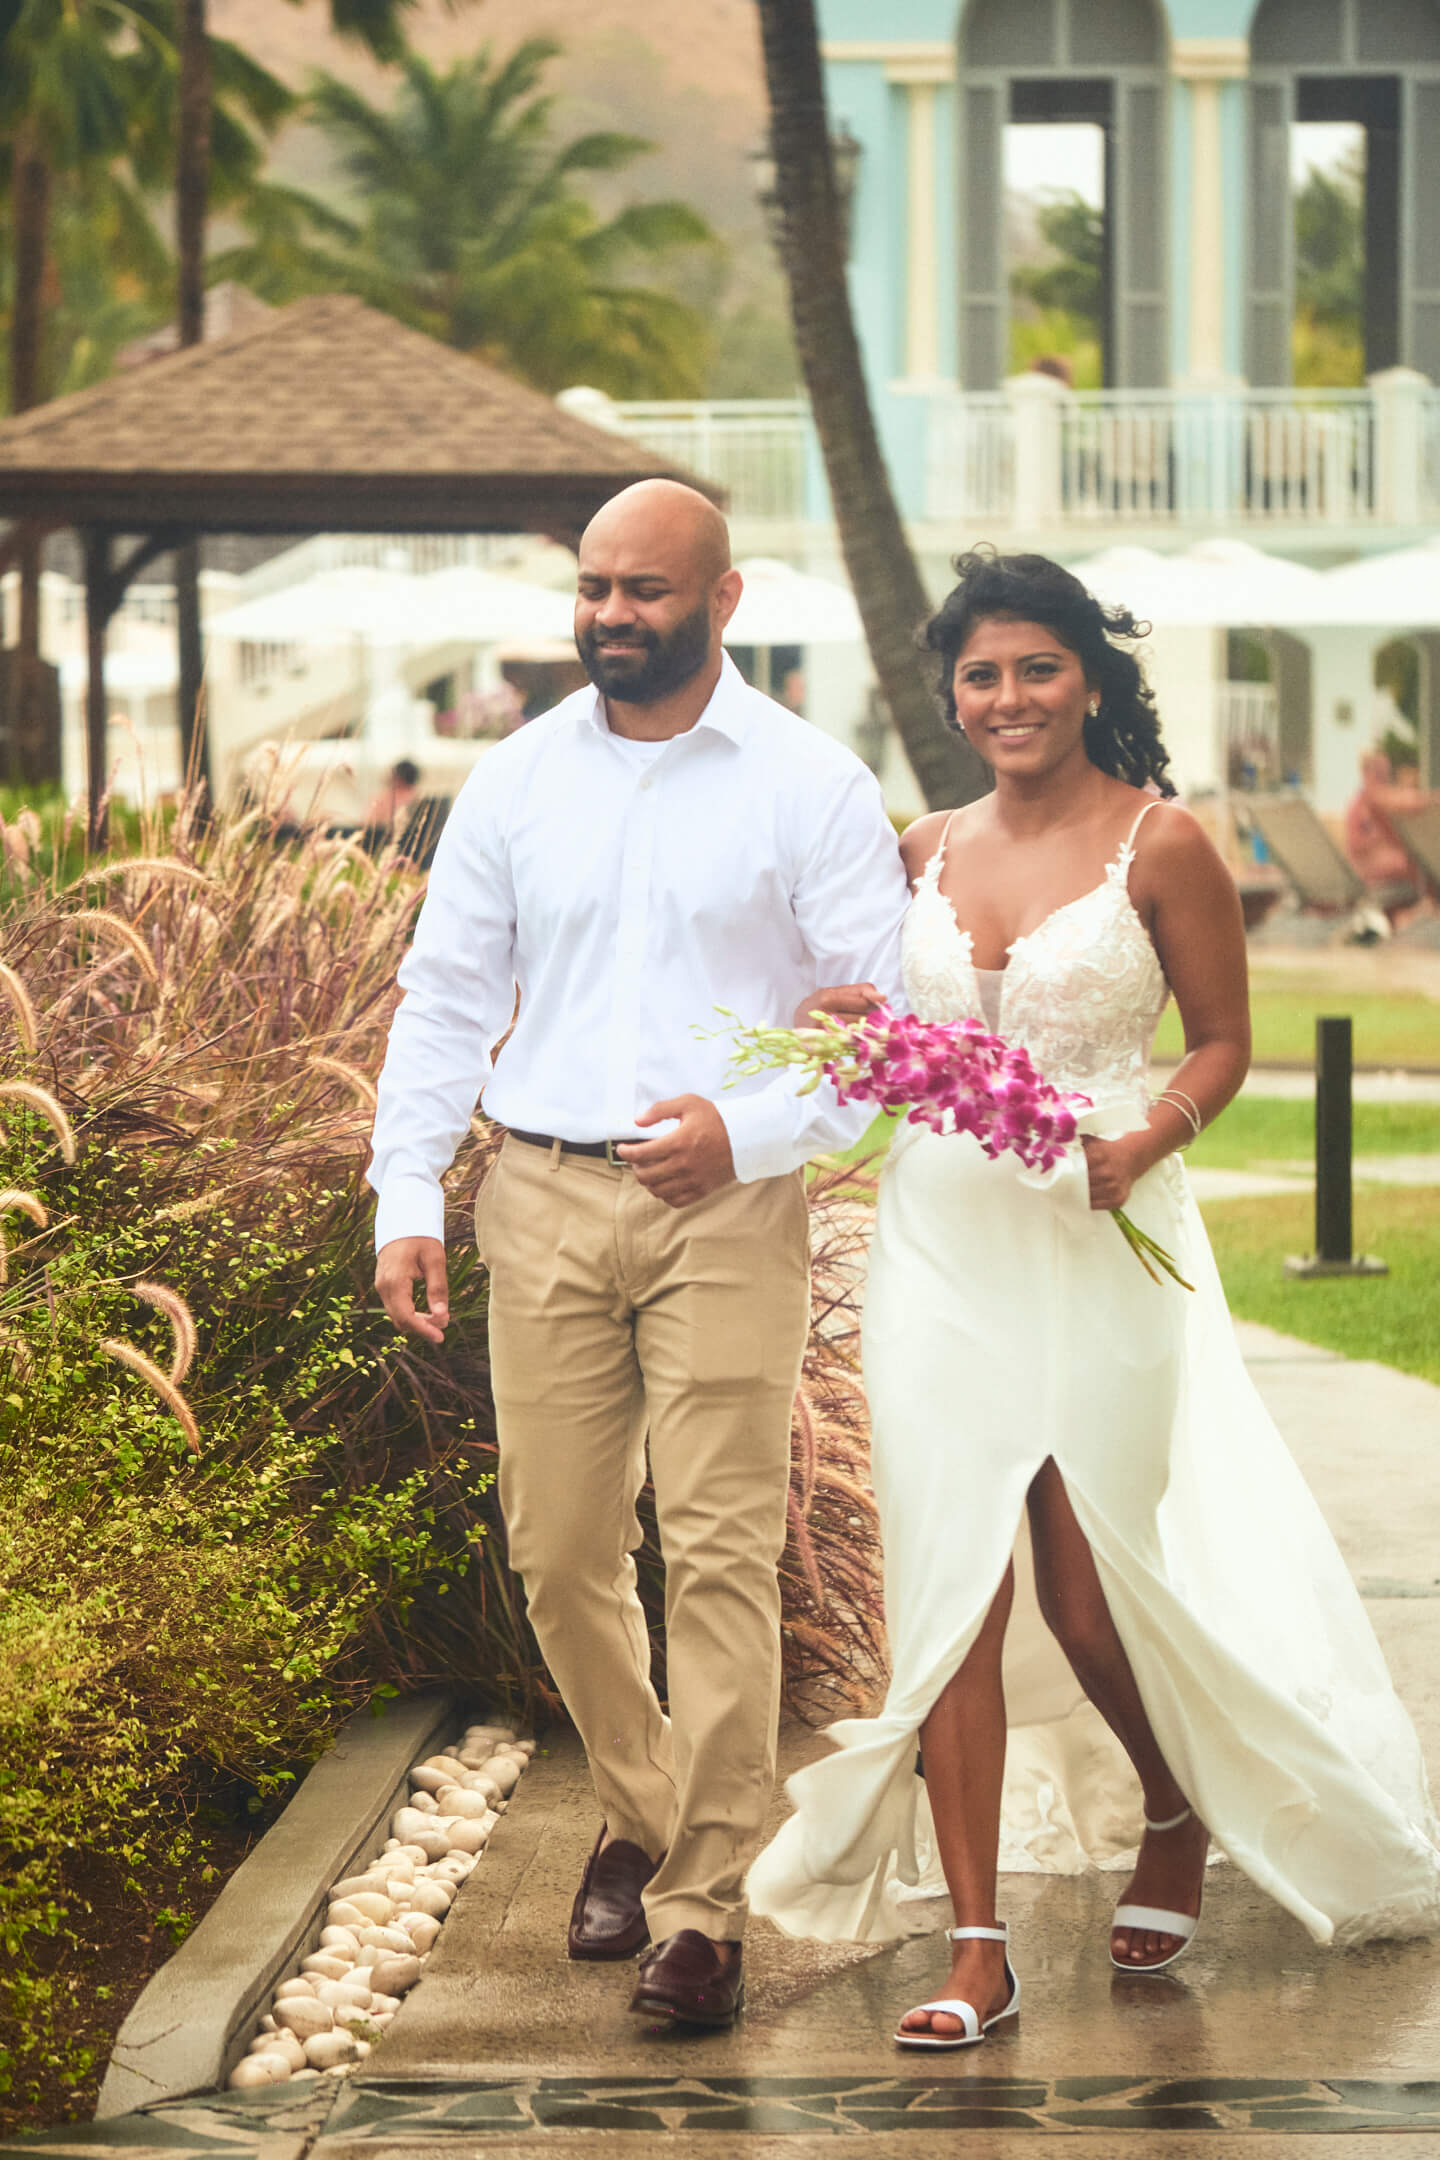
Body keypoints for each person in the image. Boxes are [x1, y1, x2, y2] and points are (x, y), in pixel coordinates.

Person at [748, 549, 1440, 2047]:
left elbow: (1222, 1043)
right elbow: (897, 1039)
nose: (1009, 698)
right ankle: (979, 1947)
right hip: (941, 1237)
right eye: (982, 675)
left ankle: (1178, 1803)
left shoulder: (1164, 844)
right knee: (949, 1590)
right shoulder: (918, 844)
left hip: (1107, 1225)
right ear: (949, 697)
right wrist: (846, 1033)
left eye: (1036, 668)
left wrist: (1147, 1140)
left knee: (1089, 1589)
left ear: (1090, 679)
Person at [367, 479, 909, 2028]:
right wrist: (409, 1193)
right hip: (535, 1193)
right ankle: (651, 1805)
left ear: (724, 601)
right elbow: (447, 994)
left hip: (727, 1211)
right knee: (558, 1551)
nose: (611, 616)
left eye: (645, 590)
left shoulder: (809, 785)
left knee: (725, 1554)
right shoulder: (519, 780)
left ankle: (701, 1913)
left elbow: (873, 1027)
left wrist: (743, 1134)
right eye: (596, 589)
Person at [1343, 749, 1429, 925]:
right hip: (1374, 877)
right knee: (1418, 864)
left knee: (1415, 862)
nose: (1384, 776)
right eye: (1379, 770)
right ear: (1366, 771)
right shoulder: (1369, 801)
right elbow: (1411, 802)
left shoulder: (1366, 802)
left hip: (1376, 875)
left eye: (1385, 771)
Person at [363, 757, 421, 831]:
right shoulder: (420, 797)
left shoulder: (384, 798)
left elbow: (368, 823)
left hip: (384, 838)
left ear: (398, 778)